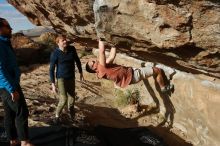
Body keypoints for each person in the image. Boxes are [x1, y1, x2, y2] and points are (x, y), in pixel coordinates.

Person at [85, 40, 173, 92]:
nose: (94, 59)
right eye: (93, 61)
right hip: (133, 75)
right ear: (93, 67)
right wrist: (100, 38)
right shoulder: (101, 68)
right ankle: (163, 87)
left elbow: (111, 56)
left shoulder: (102, 69)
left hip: (130, 74)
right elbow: (102, 51)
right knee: (157, 70)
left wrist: (114, 44)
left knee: (147, 69)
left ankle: (153, 73)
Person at [0, 18, 34, 146]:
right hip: (8, 85)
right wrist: (12, 89)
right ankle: (24, 142)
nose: (11, 29)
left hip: (7, 85)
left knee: (9, 112)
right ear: (1, 28)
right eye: (8, 26)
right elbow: (0, 70)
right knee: (22, 111)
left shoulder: (4, 42)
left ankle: (13, 140)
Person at [49, 35, 84, 124]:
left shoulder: (72, 49)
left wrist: (81, 72)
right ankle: (57, 116)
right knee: (64, 99)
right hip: (61, 78)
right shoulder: (55, 53)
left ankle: (72, 116)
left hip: (71, 77)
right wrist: (53, 84)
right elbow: (51, 69)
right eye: (63, 40)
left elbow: (77, 60)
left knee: (72, 99)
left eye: (65, 40)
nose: (65, 42)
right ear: (58, 43)